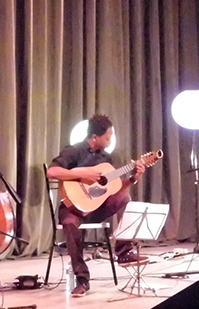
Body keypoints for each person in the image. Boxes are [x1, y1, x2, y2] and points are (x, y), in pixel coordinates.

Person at [46, 114, 147, 297]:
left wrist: (133, 177)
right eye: (108, 137)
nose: (110, 140)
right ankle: (82, 279)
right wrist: (85, 173)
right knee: (69, 224)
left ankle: (123, 251)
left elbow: (113, 188)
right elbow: (52, 172)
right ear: (95, 137)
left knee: (124, 197)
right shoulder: (74, 151)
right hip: (73, 207)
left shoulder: (106, 159)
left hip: (96, 208)